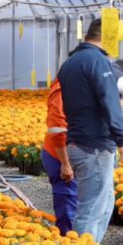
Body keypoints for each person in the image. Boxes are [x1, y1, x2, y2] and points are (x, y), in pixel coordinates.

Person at [56, 18, 123, 244]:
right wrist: (122, 139)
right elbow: (110, 103)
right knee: (91, 209)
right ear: (107, 36)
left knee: (104, 205)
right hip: (93, 146)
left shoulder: (71, 62)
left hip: (80, 142)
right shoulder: (98, 62)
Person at [41, 78, 77, 236]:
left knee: (73, 199)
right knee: (67, 197)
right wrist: (65, 163)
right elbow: (57, 126)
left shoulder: (74, 84)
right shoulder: (62, 88)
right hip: (59, 154)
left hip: (69, 152)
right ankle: (66, 239)